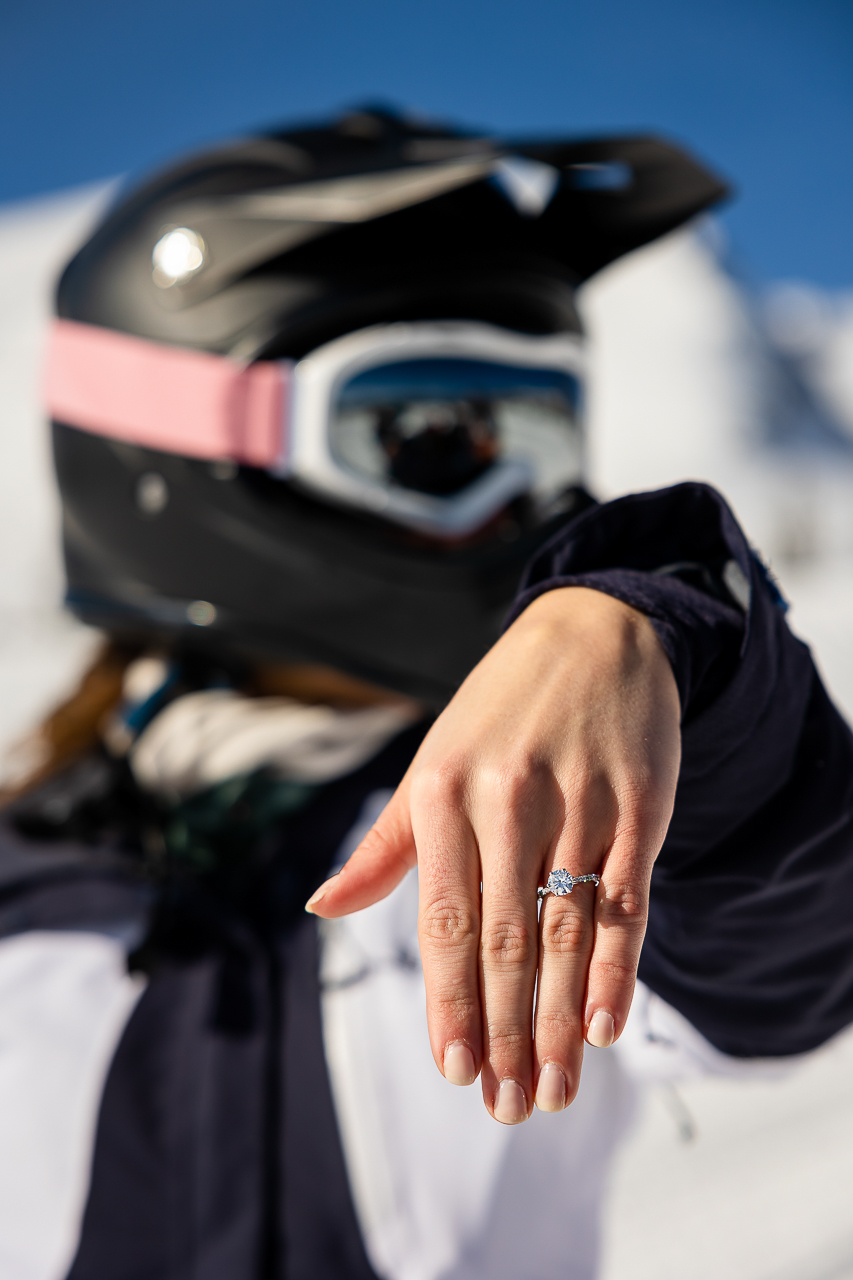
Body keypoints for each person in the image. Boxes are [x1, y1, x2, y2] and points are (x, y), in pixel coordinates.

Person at [2, 105, 852, 1280]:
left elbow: (785, 977)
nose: (512, 500)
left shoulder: (524, 810)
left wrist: (671, 640)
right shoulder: (22, 892)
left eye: (539, 427)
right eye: (427, 432)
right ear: (179, 444)